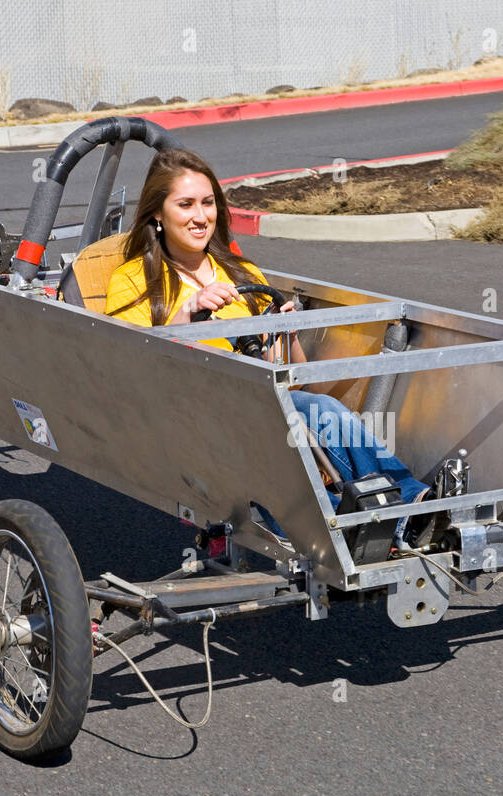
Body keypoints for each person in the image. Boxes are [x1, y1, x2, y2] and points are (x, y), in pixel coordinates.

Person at [103, 148, 430, 538]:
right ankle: (345, 534)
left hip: (257, 403)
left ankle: (409, 504)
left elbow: (295, 378)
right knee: (278, 435)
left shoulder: (241, 273)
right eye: (185, 204)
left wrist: (285, 331)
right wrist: (186, 315)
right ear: (157, 213)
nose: (200, 216)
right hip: (187, 417)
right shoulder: (133, 280)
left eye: (208, 203)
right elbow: (130, 367)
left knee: (319, 408)